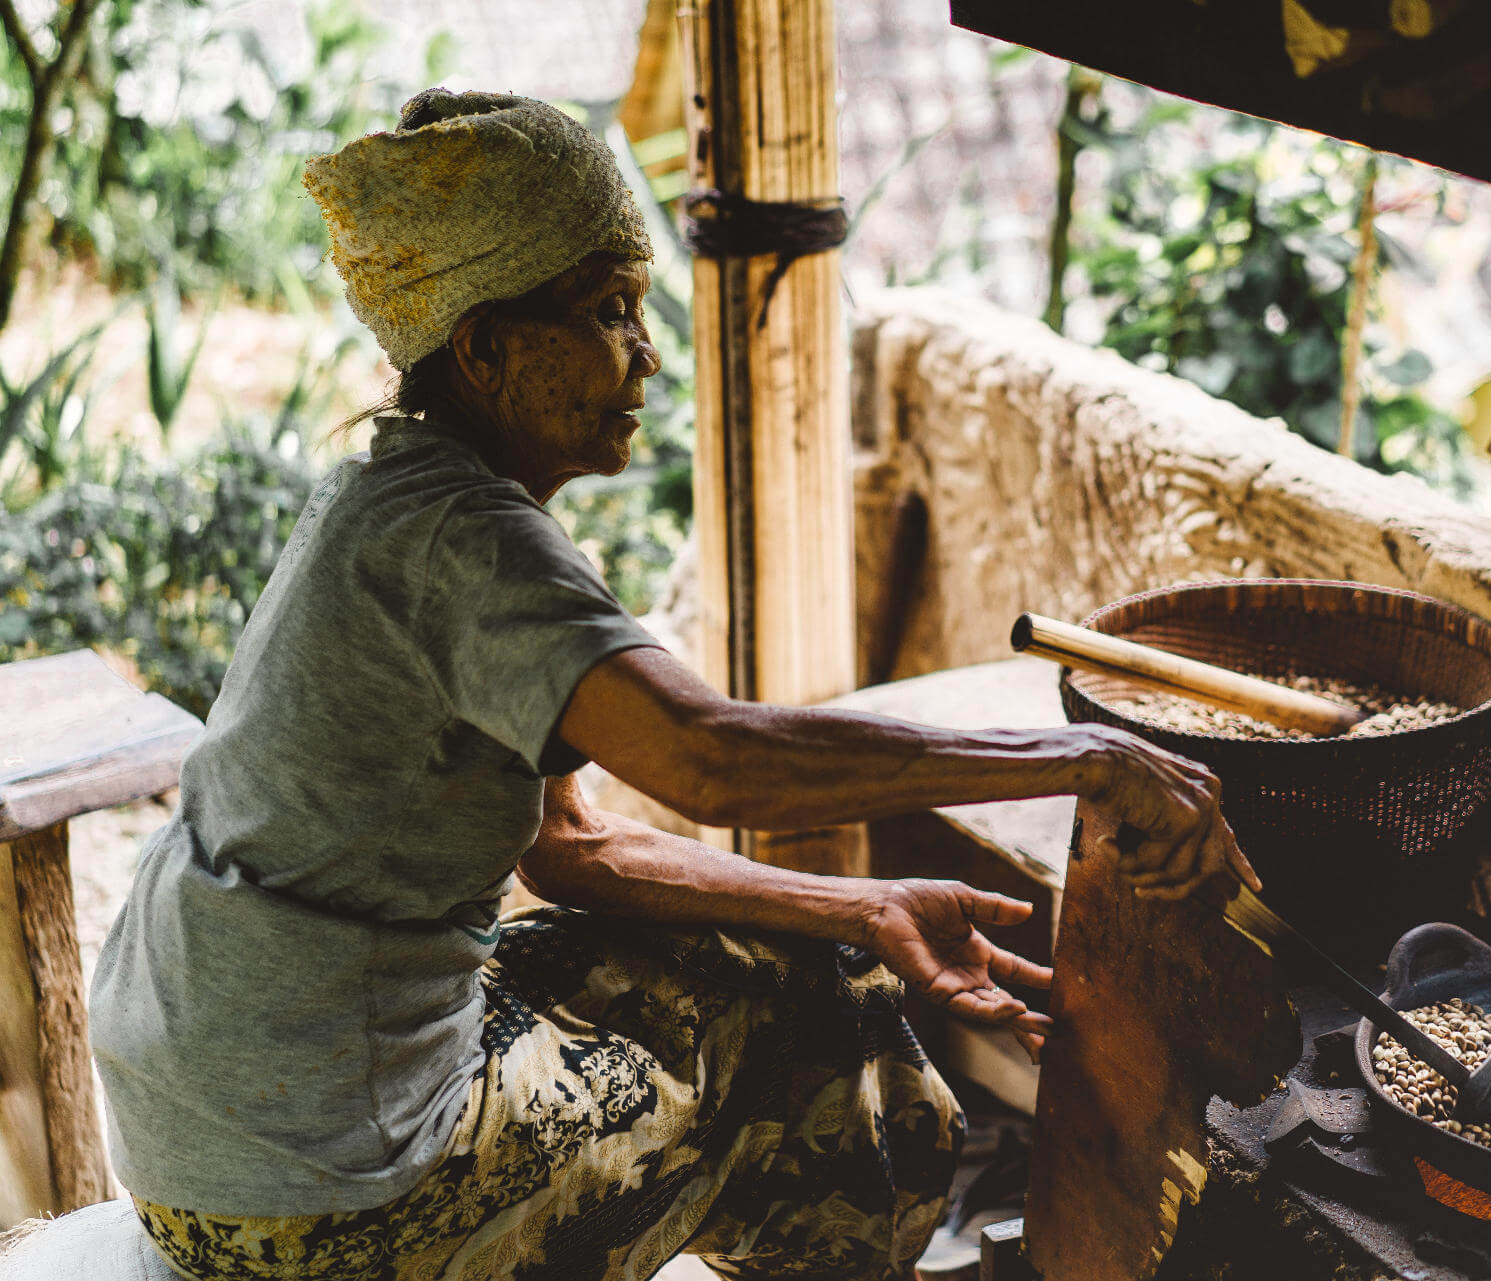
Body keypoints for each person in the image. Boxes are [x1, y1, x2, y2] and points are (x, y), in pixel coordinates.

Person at [87, 89, 1258, 1281]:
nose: (644, 355)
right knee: (825, 1030)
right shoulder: (471, 544)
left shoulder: (384, 496)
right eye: (607, 312)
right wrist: (1089, 758)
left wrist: (864, 908)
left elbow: (571, 852)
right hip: (319, 1199)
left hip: (201, 1124)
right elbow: (707, 754)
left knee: (801, 962)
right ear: (485, 348)